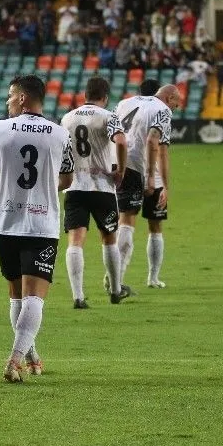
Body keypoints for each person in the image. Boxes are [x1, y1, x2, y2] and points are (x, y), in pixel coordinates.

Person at [0, 75, 74, 383]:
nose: (8, 102)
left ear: (23, 99)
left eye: (10, 97)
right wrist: (45, 185)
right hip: (42, 224)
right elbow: (67, 180)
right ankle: (15, 359)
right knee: (34, 298)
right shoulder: (59, 134)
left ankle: (31, 356)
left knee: (16, 295)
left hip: (6, 223)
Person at [59, 76, 129, 308]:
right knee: (109, 238)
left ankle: (78, 296)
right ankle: (116, 290)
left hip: (75, 185)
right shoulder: (108, 116)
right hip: (101, 186)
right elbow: (120, 141)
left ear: (84, 95)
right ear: (105, 97)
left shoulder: (67, 118)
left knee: (75, 240)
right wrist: (120, 169)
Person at [113, 81, 182, 290]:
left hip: (123, 165)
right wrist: (157, 180)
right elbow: (157, 146)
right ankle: (152, 278)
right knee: (155, 224)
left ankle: (117, 279)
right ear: (169, 98)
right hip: (147, 169)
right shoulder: (163, 111)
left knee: (125, 221)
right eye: (177, 102)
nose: (177, 107)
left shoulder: (123, 103)